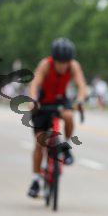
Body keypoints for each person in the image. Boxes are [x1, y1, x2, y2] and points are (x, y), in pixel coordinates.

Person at [27, 38, 87, 198]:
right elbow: (34, 84)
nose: (63, 66)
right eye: (60, 62)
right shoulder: (45, 65)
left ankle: (66, 147)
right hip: (43, 103)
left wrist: (80, 100)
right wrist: (33, 100)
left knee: (68, 115)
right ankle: (35, 180)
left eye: (66, 62)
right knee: (39, 143)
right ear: (54, 60)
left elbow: (81, 85)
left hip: (60, 101)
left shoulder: (73, 66)